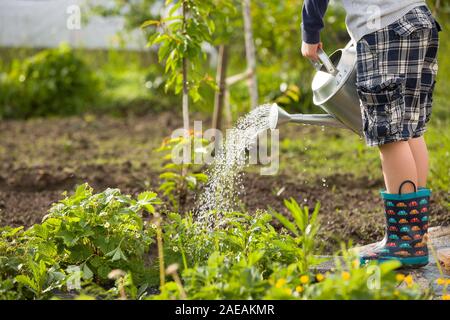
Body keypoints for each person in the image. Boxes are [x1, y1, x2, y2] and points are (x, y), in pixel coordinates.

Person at [301, 0, 441, 268]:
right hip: (420, 19)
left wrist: (310, 32)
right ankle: (414, 236)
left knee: (389, 136)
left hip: (383, 27)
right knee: (411, 130)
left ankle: (404, 244)